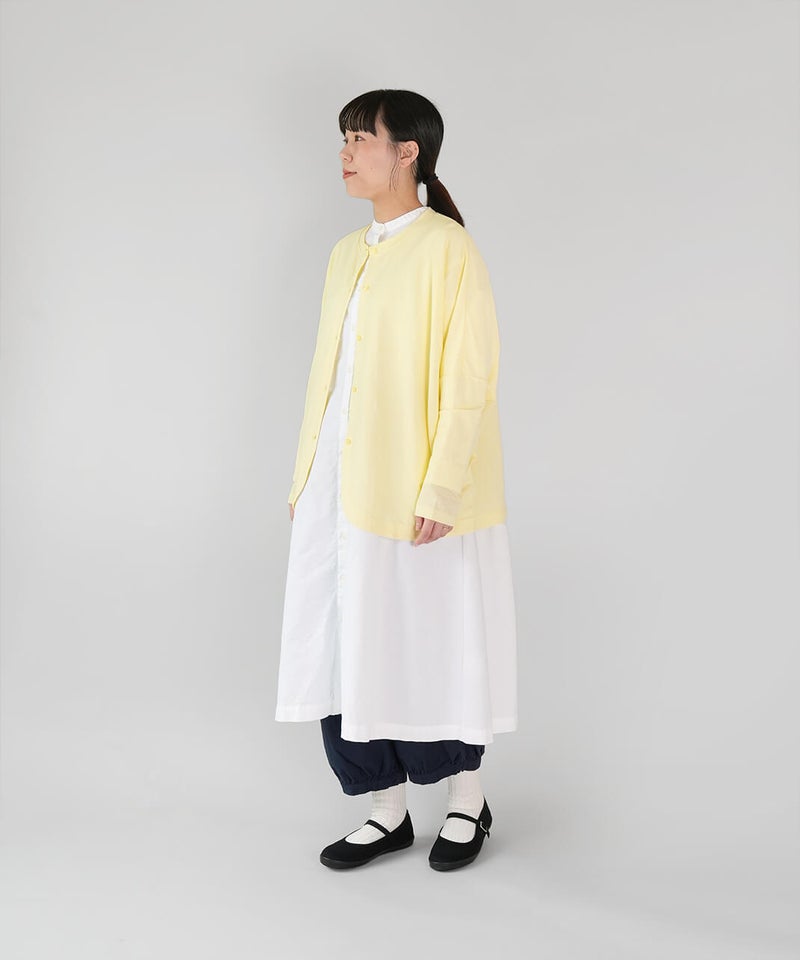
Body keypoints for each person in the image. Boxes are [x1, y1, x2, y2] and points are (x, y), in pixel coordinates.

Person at [275, 89, 518, 871]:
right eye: (343, 139)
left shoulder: (448, 248)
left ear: (407, 151)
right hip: (337, 484)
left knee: (433, 638)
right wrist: (306, 478)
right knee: (347, 643)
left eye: (360, 138)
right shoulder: (346, 253)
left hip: (416, 487)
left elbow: (470, 379)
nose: (345, 153)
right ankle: (386, 811)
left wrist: (441, 488)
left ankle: (467, 800)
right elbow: (329, 375)